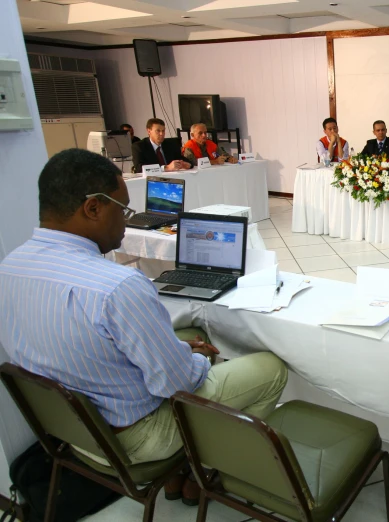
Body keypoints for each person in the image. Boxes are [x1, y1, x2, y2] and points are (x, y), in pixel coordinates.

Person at [0, 149, 288, 472]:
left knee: (188, 335)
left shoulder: (8, 269)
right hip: (136, 437)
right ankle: (216, 468)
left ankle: (188, 469)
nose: (127, 221)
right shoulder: (118, 286)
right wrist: (197, 359)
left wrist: (177, 348)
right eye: (123, 211)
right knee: (272, 368)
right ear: (92, 207)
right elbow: (177, 383)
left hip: (74, 433)